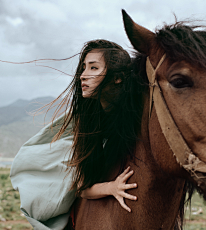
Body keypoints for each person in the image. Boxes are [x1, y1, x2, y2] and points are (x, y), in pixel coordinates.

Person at [10, 39, 145, 230]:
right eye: (84, 68)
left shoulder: (137, 109)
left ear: (118, 77)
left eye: (93, 68)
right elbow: (81, 188)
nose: (83, 76)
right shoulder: (88, 120)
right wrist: (111, 187)